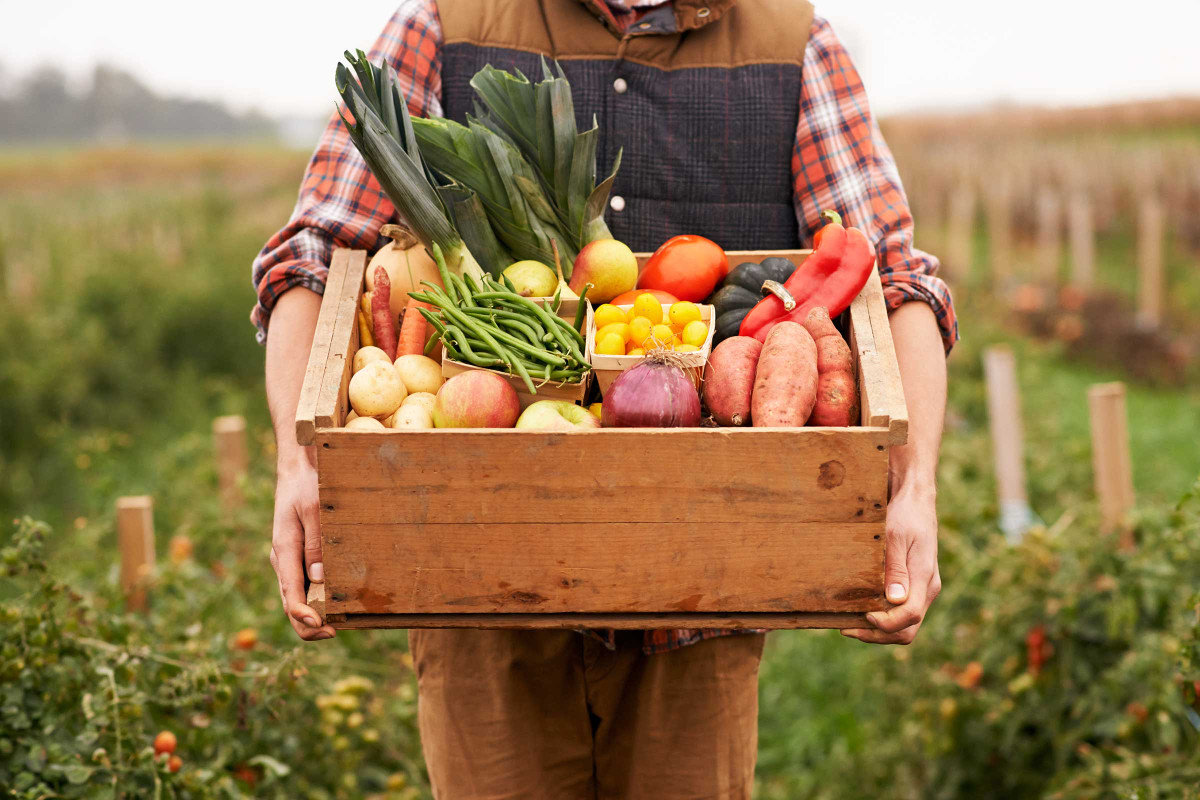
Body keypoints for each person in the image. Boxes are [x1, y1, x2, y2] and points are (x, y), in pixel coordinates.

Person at [254, 0, 958, 796]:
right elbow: (313, 258)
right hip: (482, 590)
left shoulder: (793, 42)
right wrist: (298, 464)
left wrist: (915, 488)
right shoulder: (443, 24)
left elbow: (895, 281)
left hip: (704, 593)